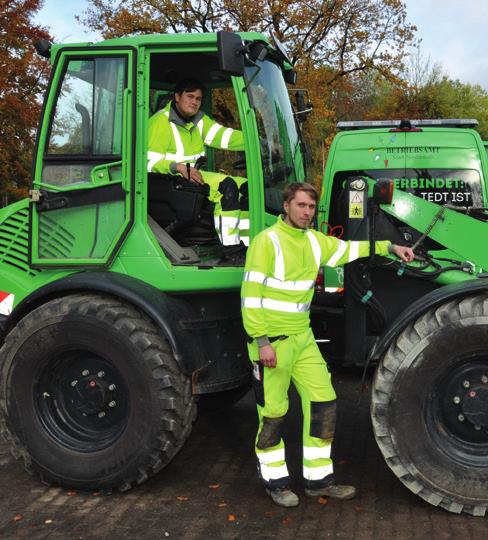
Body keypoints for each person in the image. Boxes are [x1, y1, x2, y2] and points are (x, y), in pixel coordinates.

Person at [240, 182, 415, 508]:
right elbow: (250, 297)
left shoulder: (315, 242)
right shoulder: (266, 242)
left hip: (302, 340)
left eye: (311, 207)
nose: (307, 212)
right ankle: (275, 482)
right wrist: (262, 342)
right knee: (274, 415)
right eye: (301, 205)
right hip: (272, 344)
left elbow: (352, 249)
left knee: (323, 401)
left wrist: (391, 248)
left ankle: (318, 481)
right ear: (287, 204)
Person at [147, 78, 248, 247]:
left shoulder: (198, 120)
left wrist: (257, 141)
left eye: (198, 99)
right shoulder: (160, 122)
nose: (194, 102)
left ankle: (246, 244)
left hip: (193, 176)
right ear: (177, 97)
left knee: (246, 187)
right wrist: (177, 167)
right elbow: (148, 161)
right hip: (170, 181)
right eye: (190, 96)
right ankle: (231, 248)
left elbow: (224, 136)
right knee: (227, 187)